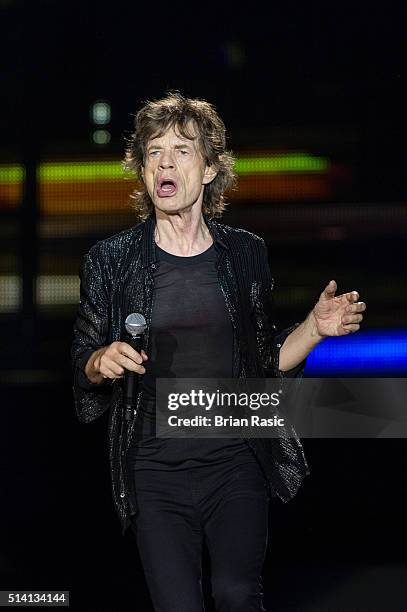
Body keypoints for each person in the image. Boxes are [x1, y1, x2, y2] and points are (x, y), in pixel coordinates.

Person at [71, 92, 366, 611]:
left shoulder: (244, 254)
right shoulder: (110, 261)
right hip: (154, 470)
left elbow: (264, 362)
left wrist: (315, 330)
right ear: (141, 170)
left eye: (182, 150)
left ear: (209, 170)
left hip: (235, 462)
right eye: (153, 151)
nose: (165, 161)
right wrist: (101, 361)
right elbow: (85, 361)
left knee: (235, 594)